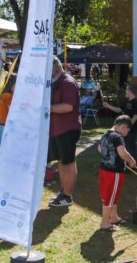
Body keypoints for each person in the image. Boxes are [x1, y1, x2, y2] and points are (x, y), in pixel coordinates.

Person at [48, 56, 81, 208]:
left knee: (68, 162)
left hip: (68, 129)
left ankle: (67, 196)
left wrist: (47, 108)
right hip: (57, 129)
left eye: (48, 68)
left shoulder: (68, 83)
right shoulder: (55, 82)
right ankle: (64, 191)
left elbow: (68, 107)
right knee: (62, 161)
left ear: (56, 67)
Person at [97, 115, 137, 231]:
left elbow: (100, 149)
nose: (127, 132)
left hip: (103, 170)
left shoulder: (105, 135)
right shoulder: (118, 137)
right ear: (124, 127)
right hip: (114, 173)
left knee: (111, 195)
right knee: (110, 196)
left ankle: (114, 217)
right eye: (128, 130)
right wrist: (131, 160)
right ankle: (105, 223)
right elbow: (122, 152)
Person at [102, 83, 137, 165]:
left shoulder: (135, 102)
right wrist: (108, 106)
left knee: (131, 148)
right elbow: (119, 110)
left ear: (130, 91)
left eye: (126, 89)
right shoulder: (127, 101)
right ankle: (127, 164)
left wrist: (128, 126)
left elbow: (136, 116)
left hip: (131, 130)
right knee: (125, 147)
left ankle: (134, 165)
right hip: (125, 129)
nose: (125, 91)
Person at [0, 77, 15, 174]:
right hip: (6, 128)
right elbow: (14, 111)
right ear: (11, 85)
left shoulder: (3, 95)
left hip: (3, 127)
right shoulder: (7, 96)